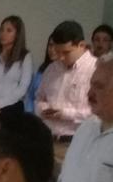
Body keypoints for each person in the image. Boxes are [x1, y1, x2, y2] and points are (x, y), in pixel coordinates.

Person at [35, 20, 97, 167]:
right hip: (47, 140)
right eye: (58, 52)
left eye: (66, 52)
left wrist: (66, 113)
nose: (61, 57)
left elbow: (99, 113)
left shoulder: (96, 69)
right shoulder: (52, 68)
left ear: (81, 45)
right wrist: (42, 109)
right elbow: (38, 97)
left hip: (75, 144)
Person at [24, 39, 57, 113]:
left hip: (51, 115)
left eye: (56, 46)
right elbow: (31, 96)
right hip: (34, 115)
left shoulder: (65, 74)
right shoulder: (42, 69)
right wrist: (29, 114)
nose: (52, 49)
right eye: (50, 45)